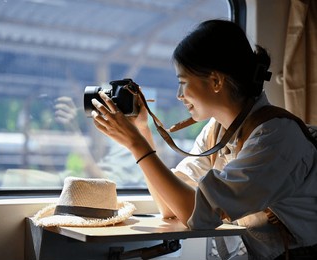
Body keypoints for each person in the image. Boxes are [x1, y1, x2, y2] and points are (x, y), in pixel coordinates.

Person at [90, 19, 317, 259]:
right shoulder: (216, 132)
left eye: (183, 83)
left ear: (216, 81)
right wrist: (143, 132)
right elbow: (171, 209)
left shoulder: (276, 138)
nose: (179, 95)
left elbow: (195, 215)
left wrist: (136, 146)